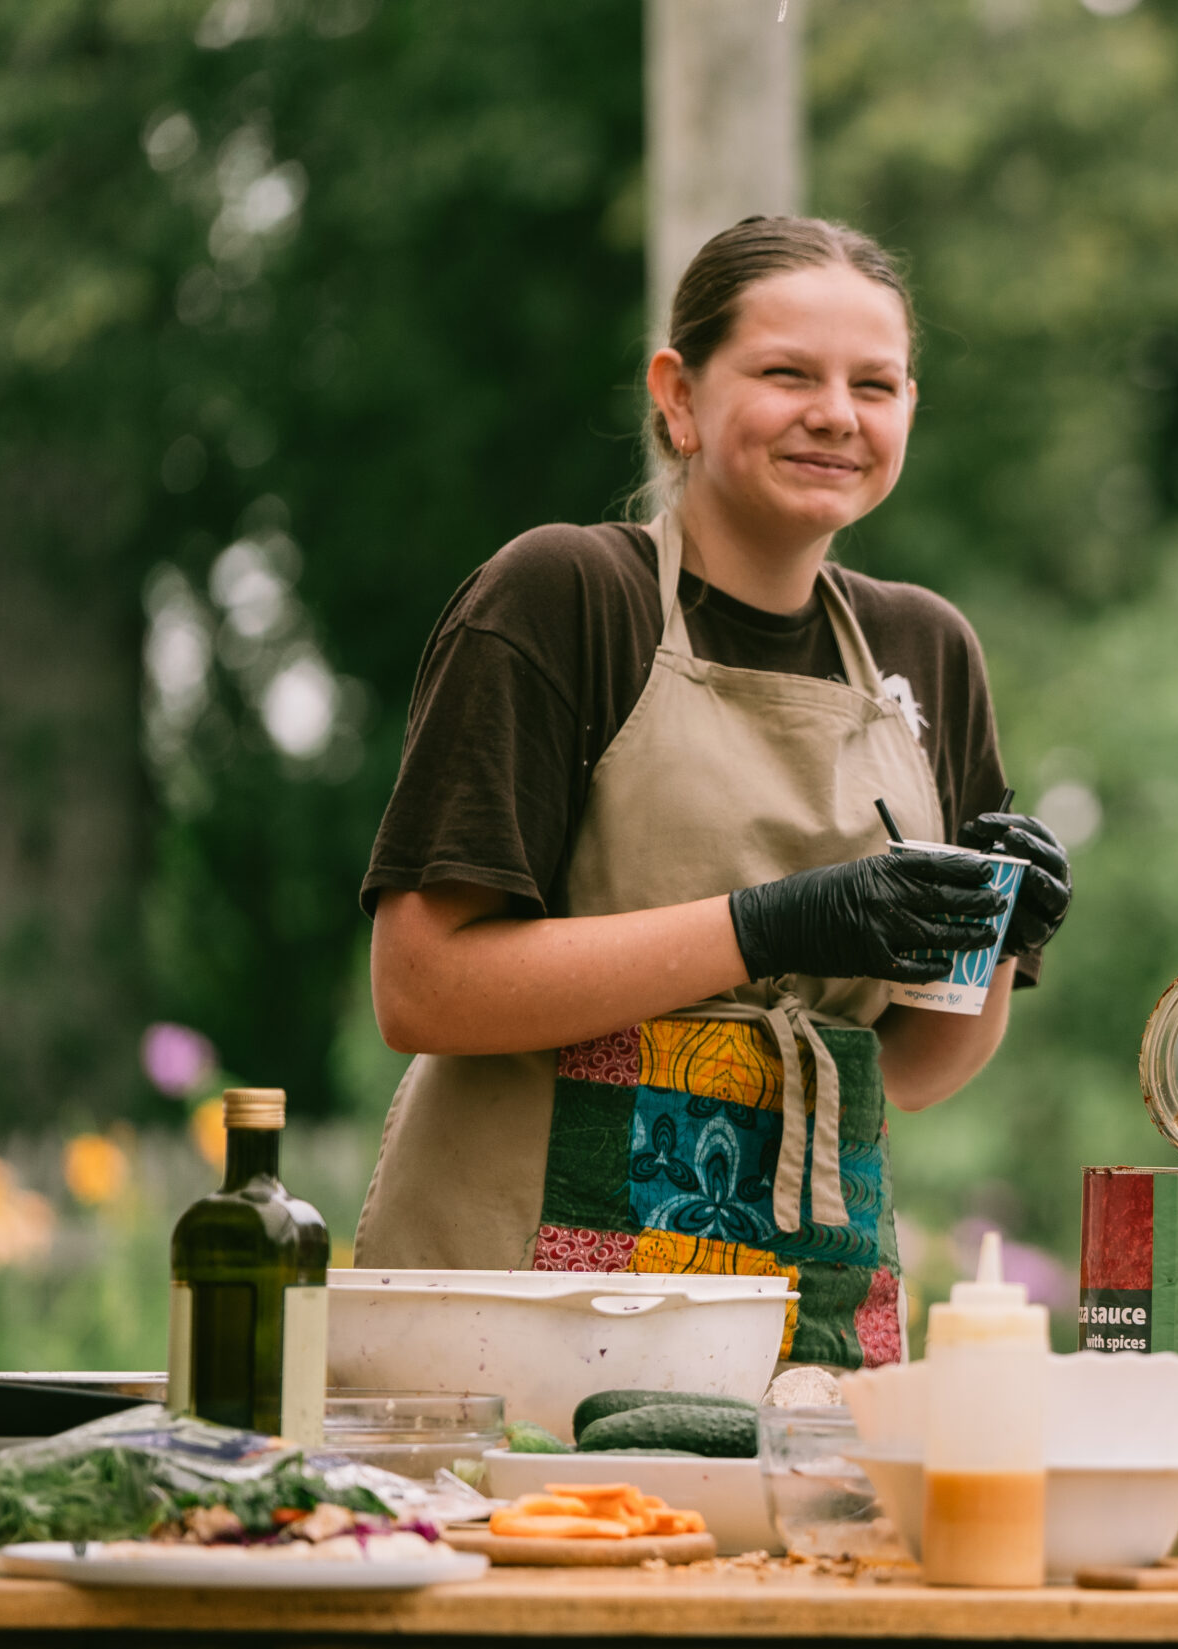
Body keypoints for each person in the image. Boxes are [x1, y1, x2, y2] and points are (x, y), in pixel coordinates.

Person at [351, 216, 1070, 1370]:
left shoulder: (926, 650)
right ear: (678, 397)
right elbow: (421, 988)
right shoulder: (566, 596)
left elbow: (912, 1072)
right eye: (787, 374)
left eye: (873, 384)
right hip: (525, 1302)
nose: (836, 414)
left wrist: (998, 938)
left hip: (808, 1303)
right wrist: (769, 925)